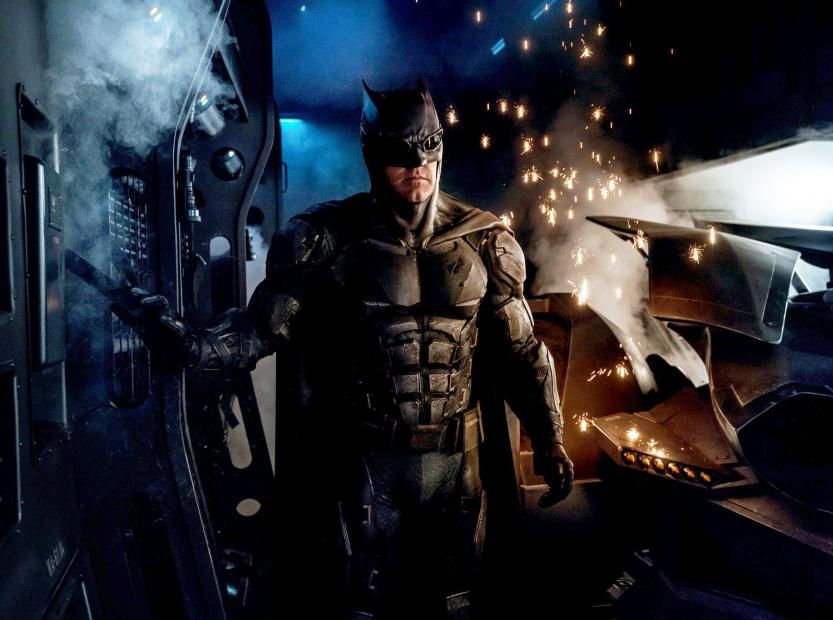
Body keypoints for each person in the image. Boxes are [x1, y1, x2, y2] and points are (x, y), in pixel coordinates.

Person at [138, 78, 573, 619]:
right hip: (368, 461)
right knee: (359, 602)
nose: (416, 166)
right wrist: (194, 345)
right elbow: (262, 330)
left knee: (455, 602)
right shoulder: (325, 238)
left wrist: (551, 437)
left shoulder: (486, 240)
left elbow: (522, 352)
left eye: (427, 149)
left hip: (457, 461)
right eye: (399, 154)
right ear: (371, 155)